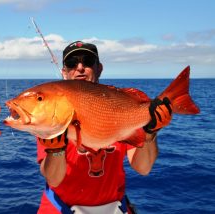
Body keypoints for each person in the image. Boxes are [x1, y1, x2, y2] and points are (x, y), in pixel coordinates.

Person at [36, 41, 173, 213]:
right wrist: (55, 150)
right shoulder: (53, 111)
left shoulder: (120, 104)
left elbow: (143, 168)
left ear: (99, 68)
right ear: (64, 72)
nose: (80, 67)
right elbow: (54, 180)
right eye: (72, 63)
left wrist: (150, 133)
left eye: (87, 61)